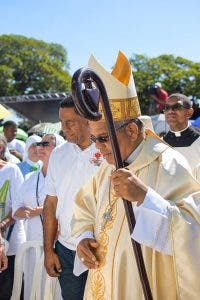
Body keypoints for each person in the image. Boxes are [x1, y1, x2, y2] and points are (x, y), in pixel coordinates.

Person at [71, 51, 200, 299]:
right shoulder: (107, 169)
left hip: (141, 287)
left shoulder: (170, 164)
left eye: (103, 138)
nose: (97, 147)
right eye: (93, 139)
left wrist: (145, 198)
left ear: (131, 129)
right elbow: (84, 208)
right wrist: (85, 237)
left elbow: (193, 231)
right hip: (104, 281)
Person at [43, 95, 103, 300]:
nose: (64, 128)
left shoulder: (108, 151)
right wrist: (49, 250)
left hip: (102, 249)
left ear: (88, 120)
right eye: (61, 122)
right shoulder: (58, 155)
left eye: (70, 122)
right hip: (67, 250)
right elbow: (50, 203)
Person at [13, 133, 64, 300]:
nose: (40, 147)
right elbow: (17, 211)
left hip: (59, 245)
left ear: (59, 148)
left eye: (46, 144)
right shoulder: (29, 178)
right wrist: (34, 212)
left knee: (55, 290)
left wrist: (43, 209)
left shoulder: (65, 178)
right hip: (33, 244)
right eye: (39, 144)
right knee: (33, 288)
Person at [0, 134, 24, 298]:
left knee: (10, 290)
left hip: (11, 241)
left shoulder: (11, 170)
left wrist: (3, 225)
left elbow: (19, 205)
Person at [163, 93, 200, 180]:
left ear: (189, 112)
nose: (170, 111)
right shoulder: (159, 144)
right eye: (166, 108)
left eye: (177, 107)